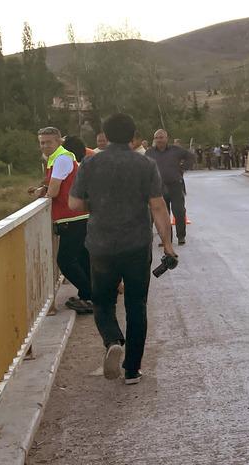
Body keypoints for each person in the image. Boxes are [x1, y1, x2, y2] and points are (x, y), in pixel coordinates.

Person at [69, 113, 177, 384]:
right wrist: (167, 244)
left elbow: (74, 205)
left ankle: (113, 340)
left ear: (105, 134)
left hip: (101, 244)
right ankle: (132, 369)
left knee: (103, 301)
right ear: (133, 136)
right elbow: (158, 207)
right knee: (136, 305)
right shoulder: (145, 164)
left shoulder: (89, 164)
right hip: (136, 245)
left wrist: (99, 206)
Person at [29, 127, 92, 313]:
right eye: (41, 142)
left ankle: (90, 295)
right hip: (77, 216)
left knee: (65, 261)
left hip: (72, 217)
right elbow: (55, 186)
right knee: (82, 259)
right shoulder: (59, 158)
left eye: (48, 142)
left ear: (58, 142)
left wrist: (45, 193)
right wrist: (44, 190)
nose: (44, 146)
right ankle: (91, 296)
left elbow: (54, 191)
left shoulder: (62, 158)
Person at [148, 128, 194, 245]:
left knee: (179, 211)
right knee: (163, 215)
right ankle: (166, 239)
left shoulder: (176, 150)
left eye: (161, 137)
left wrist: (183, 168)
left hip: (175, 186)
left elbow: (190, 156)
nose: (159, 140)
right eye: (157, 138)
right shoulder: (150, 153)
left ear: (166, 138)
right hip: (158, 187)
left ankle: (181, 236)